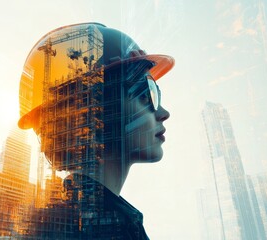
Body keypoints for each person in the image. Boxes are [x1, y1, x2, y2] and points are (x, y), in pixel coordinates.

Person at [17, 22, 174, 239]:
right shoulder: (97, 229)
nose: (164, 112)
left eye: (156, 93)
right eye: (145, 95)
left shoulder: (65, 223)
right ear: (97, 108)